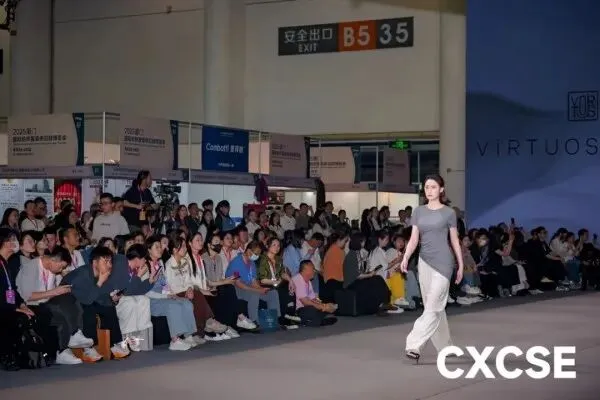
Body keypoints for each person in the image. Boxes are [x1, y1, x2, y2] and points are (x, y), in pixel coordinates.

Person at [400, 175, 464, 362]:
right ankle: (445, 346)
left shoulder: (449, 213)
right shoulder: (418, 212)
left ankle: (414, 345)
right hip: (424, 262)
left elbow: (454, 240)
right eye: (427, 187)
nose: (429, 190)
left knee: (433, 305)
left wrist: (460, 264)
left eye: (433, 187)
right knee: (434, 307)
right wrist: (406, 257)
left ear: (441, 189)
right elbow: (414, 239)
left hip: (444, 262)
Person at [16, 247, 99, 365]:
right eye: (61, 266)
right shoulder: (31, 267)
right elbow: (26, 296)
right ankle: (64, 348)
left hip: (46, 301)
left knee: (71, 297)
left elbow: (54, 291)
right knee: (59, 312)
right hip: (31, 304)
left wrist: (60, 290)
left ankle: (75, 334)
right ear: (53, 260)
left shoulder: (52, 270)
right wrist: (54, 292)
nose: (61, 270)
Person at [62, 246, 131, 360]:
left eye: (110, 262)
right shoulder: (83, 274)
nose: (109, 265)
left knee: (108, 307)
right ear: (95, 262)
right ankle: (88, 348)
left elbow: (102, 296)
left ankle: (115, 343)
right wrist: (99, 283)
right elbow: (86, 299)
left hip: (87, 300)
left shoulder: (102, 275)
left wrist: (113, 300)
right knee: (89, 308)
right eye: (106, 261)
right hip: (70, 303)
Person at [145, 236, 203, 350]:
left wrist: (170, 293)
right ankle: (175, 340)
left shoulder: (160, 263)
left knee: (186, 303)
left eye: (160, 246)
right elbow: (146, 292)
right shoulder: (145, 266)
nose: (160, 249)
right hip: (153, 301)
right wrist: (166, 296)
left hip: (164, 297)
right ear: (149, 250)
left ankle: (188, 335)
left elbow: (164, 283)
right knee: (173, 306)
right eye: (156, 247)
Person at [225, 241, 281, 328]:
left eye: (258, 254)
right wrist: (257, 290)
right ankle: (254, 321)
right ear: (248, 251)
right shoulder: (236, 262)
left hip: (249, 287)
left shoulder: (252, 263)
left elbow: (254, 281)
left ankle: (274, 320)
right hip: (237, 289)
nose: (257, 256)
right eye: (256, 253)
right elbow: (238, 283)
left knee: (272, 293)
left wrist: (261, 289)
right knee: (254, 294)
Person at [292, 260, 337, 327]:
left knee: (326, 307)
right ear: (305, 270)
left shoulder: (308, 281)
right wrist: (322, 307)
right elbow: (305, 302)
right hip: (298, 311)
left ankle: (317, 320)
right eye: (312, 269)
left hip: (307, 307)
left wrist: (324, 305)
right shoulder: (298, 280)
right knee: (313, 310)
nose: (314, 271)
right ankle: (318, 321)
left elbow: (313, 299)